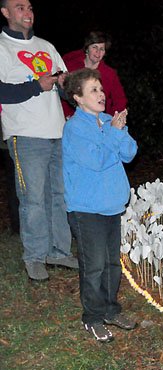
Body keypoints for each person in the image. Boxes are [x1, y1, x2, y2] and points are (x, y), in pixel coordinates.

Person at [0, 0, 78, 281]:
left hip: (57, 132)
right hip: (25, 135)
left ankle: (58, 251)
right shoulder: (2, 48)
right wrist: (37, 85)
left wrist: (66, 84)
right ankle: (34, 256)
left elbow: (66, 90)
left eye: (30, 7)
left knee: (59, 196)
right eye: (19, 7)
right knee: (32, 199)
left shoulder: (46, 46)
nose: (27, 12)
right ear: (5, 13)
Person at [62, 68, 137, 342]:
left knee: (111, 264)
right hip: (86, 210)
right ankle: (92, 317)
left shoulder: (108, 121)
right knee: (93, 266)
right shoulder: (74, 129)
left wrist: (118, 130)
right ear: (77, 98)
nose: (101, 94)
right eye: (93, 90)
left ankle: (109, 310)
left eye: (101, 88)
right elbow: (97, 160)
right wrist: (113, 135)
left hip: (110, 206)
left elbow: (129, 153)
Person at [0, 78, 49, 234]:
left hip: (23, 133)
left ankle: (21, 227)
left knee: (24, 185)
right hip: (14, 135)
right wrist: (36, 86)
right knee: (22, 187)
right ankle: (19, 227)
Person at [61, 31, 127, 118]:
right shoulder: (70, 65)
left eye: (102, 49)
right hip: (66, 117)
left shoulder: (109, 74)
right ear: (87, 49)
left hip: (95, 121)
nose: (98, 52)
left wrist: (111, 120)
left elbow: (120, 100)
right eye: (94, 47)